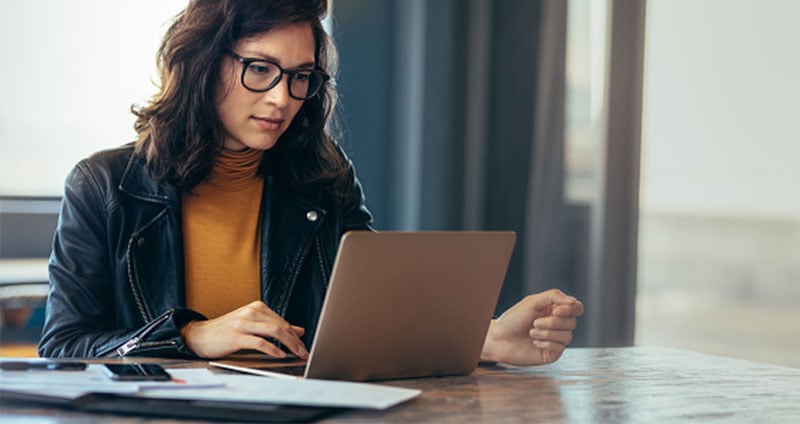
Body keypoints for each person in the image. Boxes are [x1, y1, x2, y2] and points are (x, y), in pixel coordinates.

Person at [37, 0, 584, 366]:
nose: (281, 98)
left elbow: (373, 317)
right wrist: (187, 337)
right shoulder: (104, 185)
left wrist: (484, 338)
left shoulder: (322, 177)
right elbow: (63, 347)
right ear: (203, 63)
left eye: (301, 77)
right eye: (260, 69)